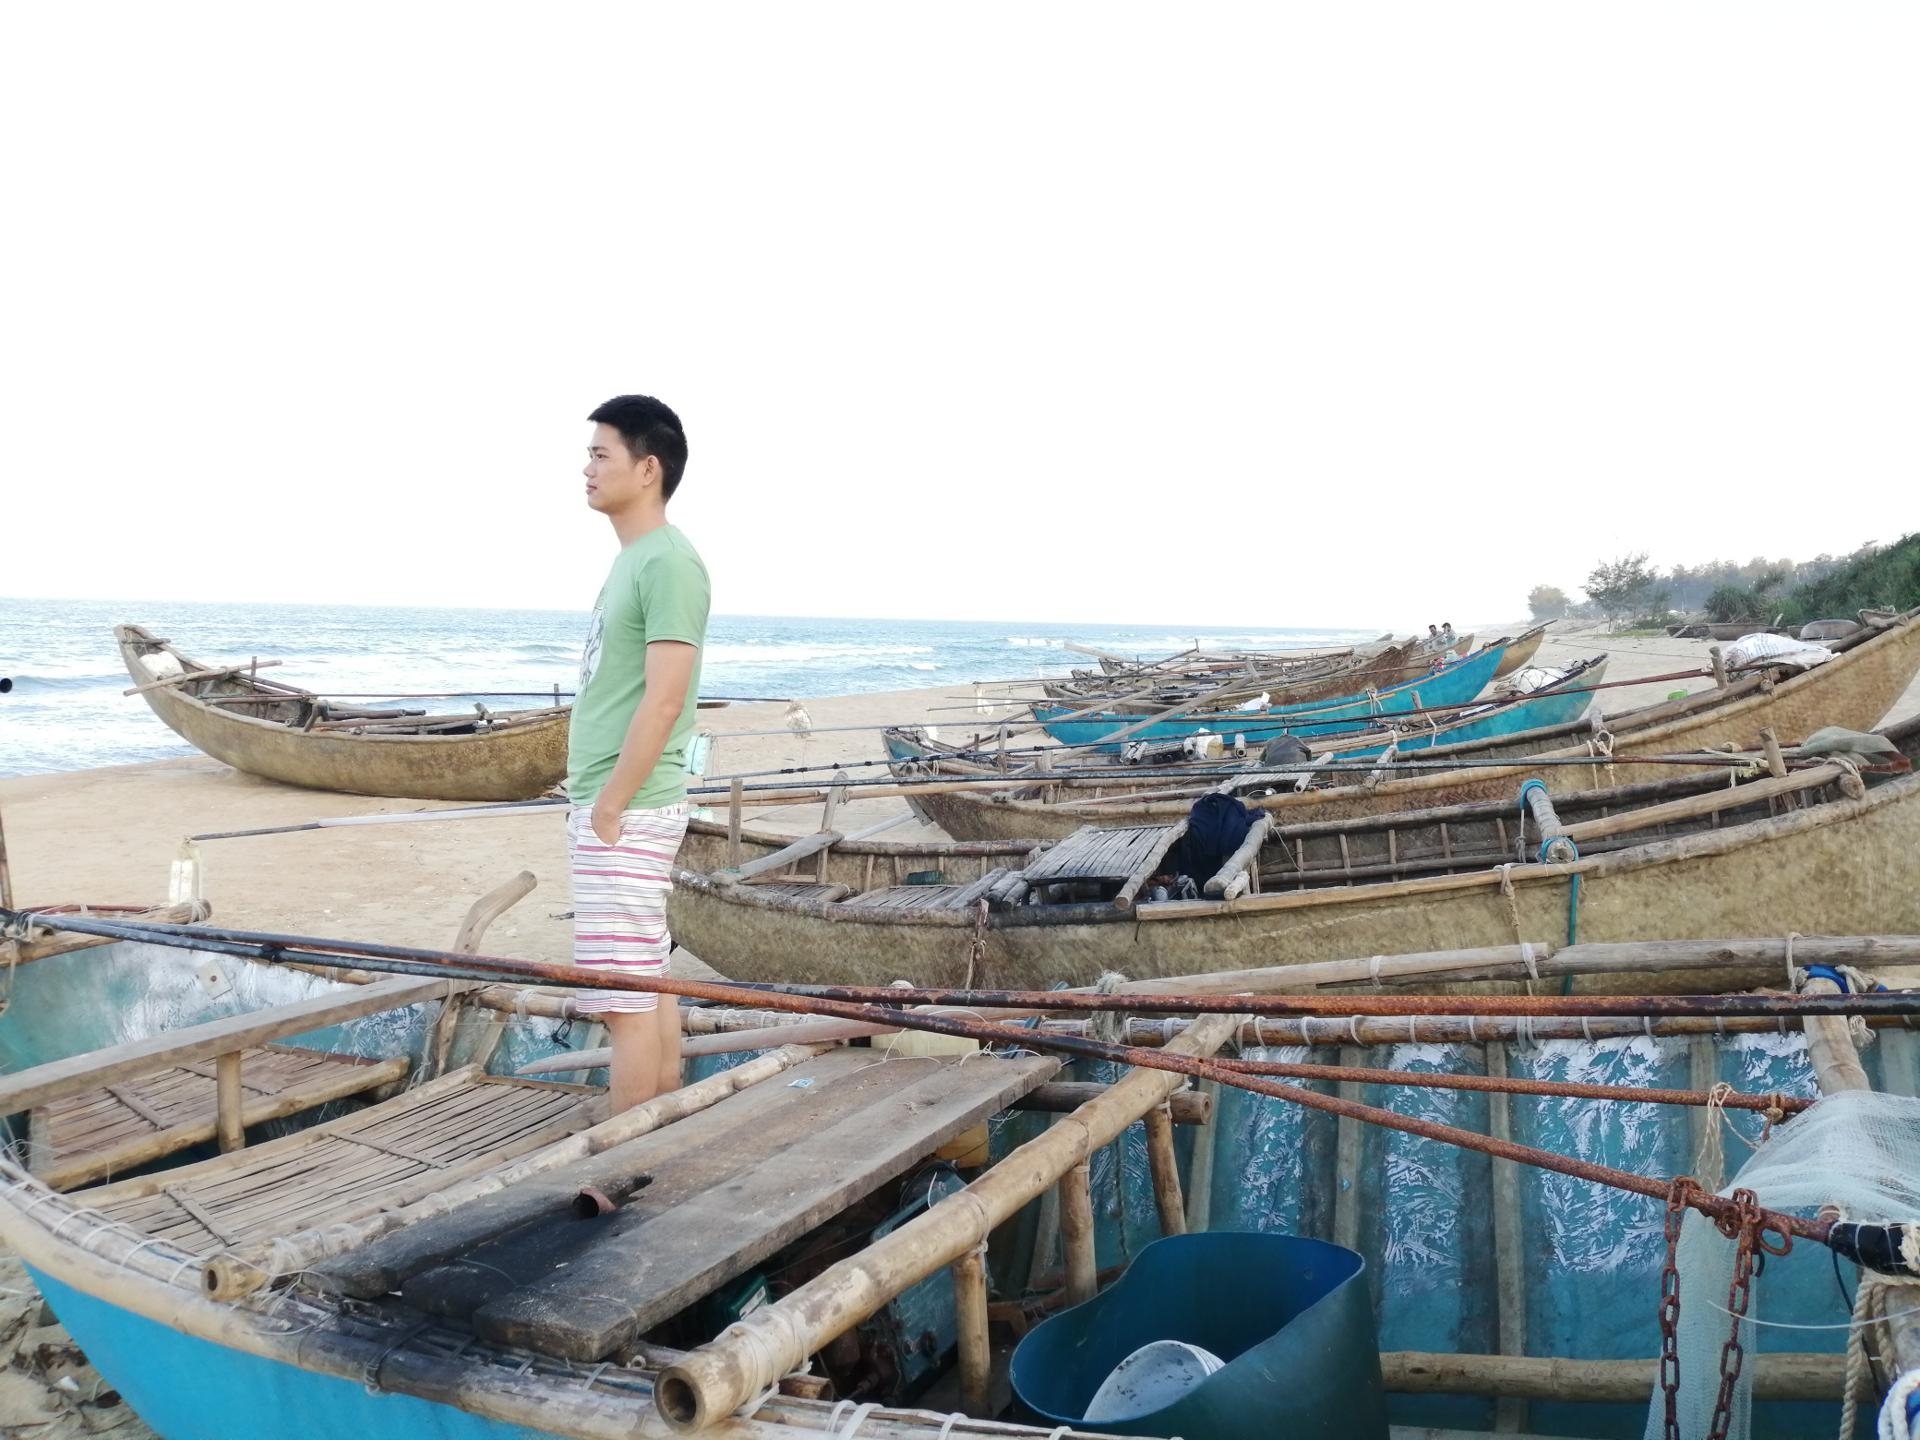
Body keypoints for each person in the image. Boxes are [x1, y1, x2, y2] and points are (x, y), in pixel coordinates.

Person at [567, 394, 710, 1113]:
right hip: (617, 802)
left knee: (623, 999)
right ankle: (661, 1117)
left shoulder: (670, 563)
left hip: (628, 807)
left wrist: (611, 805)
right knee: (646, 980)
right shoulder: (636, 560)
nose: (587, 468)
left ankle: (621, 1154)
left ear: (647, 468)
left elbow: (664, 698)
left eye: (602, 454)